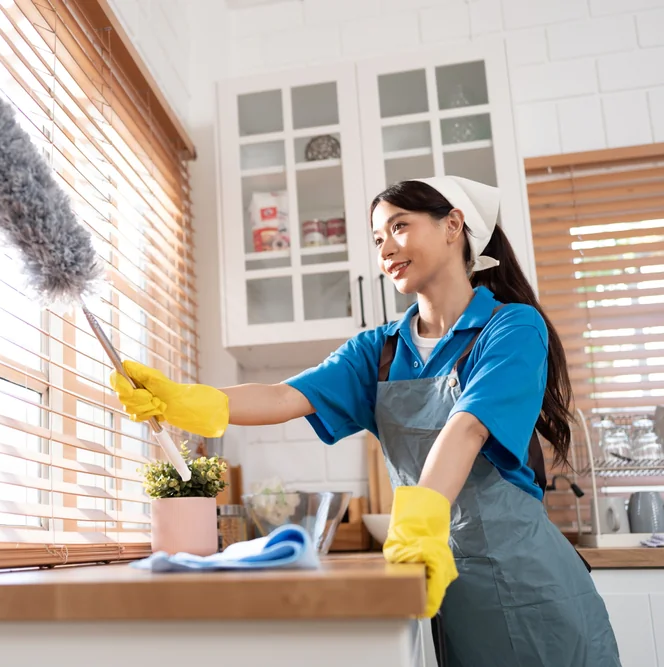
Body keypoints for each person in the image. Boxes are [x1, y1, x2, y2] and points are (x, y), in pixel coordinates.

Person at [110, 176, 621, 666]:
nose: (386, 249)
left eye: (400, 226)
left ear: (452, 225)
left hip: (530, 582)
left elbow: (467, 427)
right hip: (447, 584)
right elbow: (285, 395)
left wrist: (419, 522)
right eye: (378, 238)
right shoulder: (380, 349)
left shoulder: (509, 326)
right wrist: (184, 401)